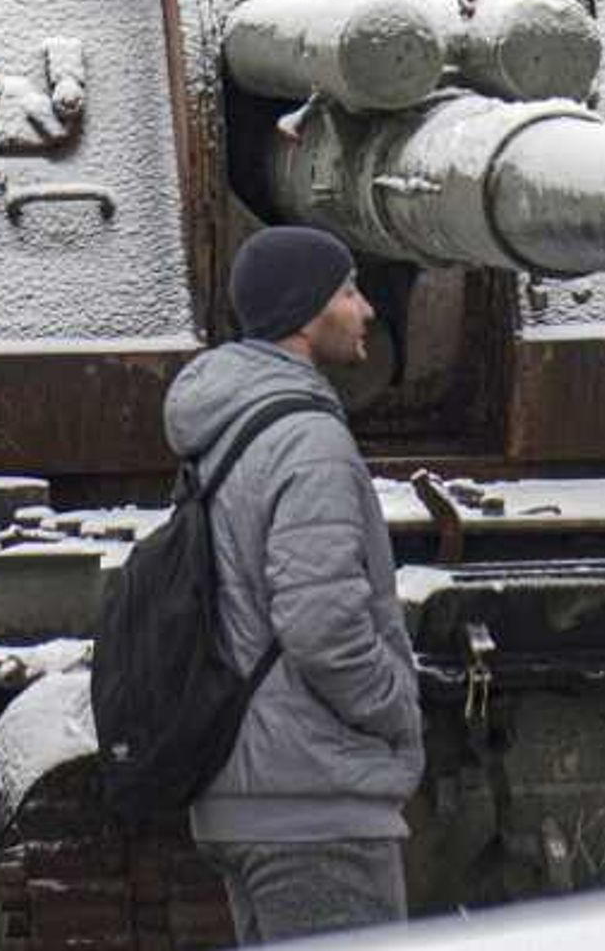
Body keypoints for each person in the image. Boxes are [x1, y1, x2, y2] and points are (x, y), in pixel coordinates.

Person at [162, 226, 422, 941]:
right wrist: (395, 704)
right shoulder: (308, 441)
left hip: (248, 786)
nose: (366, 309)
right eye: (347, 290)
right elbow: (321, 622)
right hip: (313, 803)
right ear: (306, 314)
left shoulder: (223, 429)